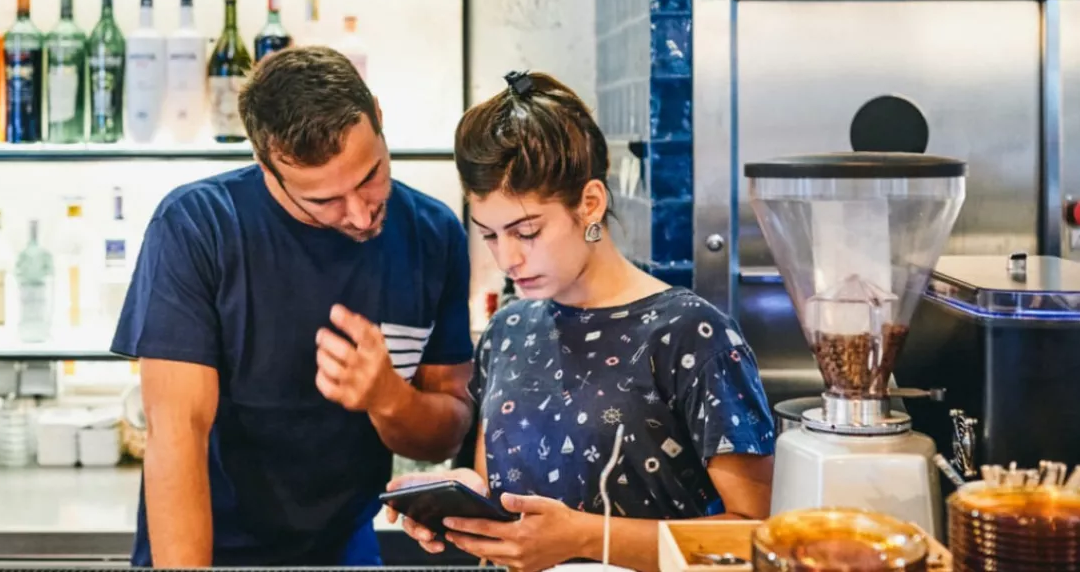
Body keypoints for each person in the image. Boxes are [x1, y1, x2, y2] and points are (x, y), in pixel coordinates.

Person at [387, 71, 776, 572]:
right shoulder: (508, 330)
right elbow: (502, 493)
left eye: (527, 232)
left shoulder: (692, 333)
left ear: (589, 204)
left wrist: (587, 538)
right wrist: (465, 501)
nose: (507, 258)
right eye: (490, 235)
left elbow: (751, 537)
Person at [112, 46, 475, 567]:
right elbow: (176, 433)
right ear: (266, 167)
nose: (360, 214)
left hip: (344, 545)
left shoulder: (433, 234)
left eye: (370, 176)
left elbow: (447, 431)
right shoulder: (198, 227)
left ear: (377, 115)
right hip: (209, 546)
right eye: (324, 200)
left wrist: (389, 398)